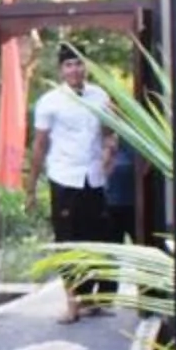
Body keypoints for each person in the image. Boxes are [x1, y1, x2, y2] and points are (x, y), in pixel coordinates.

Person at [23, 43, 108, 322]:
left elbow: (109, 133)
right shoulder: (50, 102)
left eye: (79, 63)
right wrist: (31, 187)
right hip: (64, 177)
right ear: (61, 70)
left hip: (94, 178)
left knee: (94, 239)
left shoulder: (101, 96)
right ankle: (72, 301)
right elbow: (39, 145)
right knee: (68, 242)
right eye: (69, 65)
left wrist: (110, 152)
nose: (75, 69)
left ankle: (90, 297)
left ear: (86, 67)